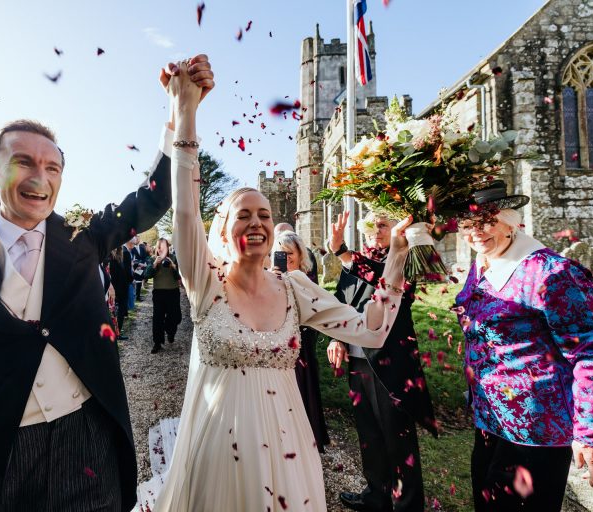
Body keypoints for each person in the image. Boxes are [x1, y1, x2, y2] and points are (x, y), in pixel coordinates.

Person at [0, 55, 214, 512]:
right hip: (4, 452)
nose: (40, 179)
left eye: (52, 167)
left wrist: (179, 111)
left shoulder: (82, 240)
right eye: (23, 163)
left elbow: (153, 197)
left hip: (87, 436)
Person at [147, 61, 411, 511]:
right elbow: (187, 211)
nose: (256, 223)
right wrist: (186, 110)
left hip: (288, 446)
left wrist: (399, 256)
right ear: (224, 230)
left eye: (264, 215)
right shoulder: (205, 283)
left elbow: (371, 330)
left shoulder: (294, 288)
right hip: (219, 448)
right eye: (243, 215)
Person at [452, 181, 593, 511]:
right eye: (468, 225)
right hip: (490, 419)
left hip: (536, 429)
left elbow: (592, 353)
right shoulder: (483, 264)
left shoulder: (552, 273)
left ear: (510, 221)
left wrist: (590, 432)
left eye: (487, 221)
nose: (476, 233)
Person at [327, 211, 437, 512]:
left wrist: (343, 253)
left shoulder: (406, 260)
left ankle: (407, 505)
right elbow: (341, 303)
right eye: (370, 226)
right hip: (359, 360)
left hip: (391, 364)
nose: (376, 232)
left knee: (397, 438)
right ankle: (376, 494)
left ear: (396, 230)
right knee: (369, 433)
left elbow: (384, 277)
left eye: (383, 226)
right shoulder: (356, 262)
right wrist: (337, 339)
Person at [272, 230, 330, 452]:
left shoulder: (306, 279)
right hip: (278, 344)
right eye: (281, 253)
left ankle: (307, 439)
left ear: (299, 253)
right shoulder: (271, 277)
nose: (285, 257)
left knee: (302, 387)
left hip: (301, 344)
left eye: (290, 253)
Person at [144, 238, 182, 354]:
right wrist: (155, 264)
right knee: (157, 318)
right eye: (159, 247)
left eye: (164, 247)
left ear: (168, 247)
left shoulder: (174, 258)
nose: (161, 249)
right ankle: (157, 343)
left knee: (176, 317)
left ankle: (170, 331)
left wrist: (174, 268)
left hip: (173, 292)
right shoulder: (152, 259)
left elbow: (178, 278)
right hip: (159, 293)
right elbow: (147, 274)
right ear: (157, 248)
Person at [108, 246, 132, 340]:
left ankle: (117, 332)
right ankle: (115, 333)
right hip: (113, 289)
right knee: (116, 311)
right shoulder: (110, 258)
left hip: (121, 288)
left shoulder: (120, 256)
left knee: (119, 311)